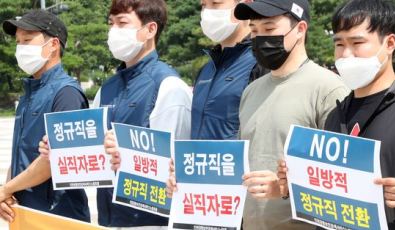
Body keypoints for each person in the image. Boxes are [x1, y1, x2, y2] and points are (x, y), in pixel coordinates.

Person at [279, 0, 395, 229]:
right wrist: (296, 178)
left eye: (357, 42)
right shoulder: (336, 114)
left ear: (389, 43)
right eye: (339, 44)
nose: (346, 54)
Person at [233, 0, 350, 229]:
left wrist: (285, 188)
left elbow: (343, 178)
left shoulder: (329, 89)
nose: (260, 39)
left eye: (269, 29)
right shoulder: (251, 90)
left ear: (300, 29)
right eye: (254, 31)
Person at [96, 0, 192, 229]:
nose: (113, 32)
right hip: (108, 217)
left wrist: (126, 152)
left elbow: (173, 163)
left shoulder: (168, 86)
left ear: (150, 30)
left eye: (122, 23)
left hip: (149, 220)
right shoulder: (106, 88)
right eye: (111, 24)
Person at [0, 9, 90, 223]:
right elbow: (21, 148)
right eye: (18, 42)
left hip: (58, 215)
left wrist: (6, 189)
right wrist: (9, 193)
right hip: (27, 211)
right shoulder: (30, 92)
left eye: (28, 40)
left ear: (53, 45)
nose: (20, 48)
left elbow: (53, 161)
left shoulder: (66, 94)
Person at [191, 0, 268, 140]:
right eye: (203, 5)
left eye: (215, 3)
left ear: (245, 3)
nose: (207, 12)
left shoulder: (261, 63)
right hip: (200, 160)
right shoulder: (207, 68)